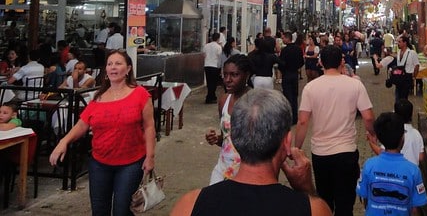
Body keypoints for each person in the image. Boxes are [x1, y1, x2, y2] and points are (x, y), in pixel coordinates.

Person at [172, 89, 331, 216]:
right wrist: (307, 189)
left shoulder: (190, 204)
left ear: (233, 138)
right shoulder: (313, 209)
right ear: (287, 142)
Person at [49, 50, 156, 216]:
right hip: (100, 164)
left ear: (128, 69)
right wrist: (64, 141)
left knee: (122, 211)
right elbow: (82, 124)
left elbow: (149, 127)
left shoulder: (140, 94)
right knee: (99, 211)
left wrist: (150, 157)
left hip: (131, 163)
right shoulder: (98, 97)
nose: (113, 67)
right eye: (110, 64)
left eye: (118, 63)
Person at [295, 44, 375, 216]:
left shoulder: (310, 88)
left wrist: (297, 147)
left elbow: (302, 122)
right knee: (345, 203)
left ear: (321, 62)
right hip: (346, 151)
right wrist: (372, 135)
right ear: (341, 61)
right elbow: (368, 117)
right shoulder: (355, 85)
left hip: (320, 153)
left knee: (325, 200)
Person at [356, 112, 427, 216]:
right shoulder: (413, 171)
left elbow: (364, 197)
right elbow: (415, 209)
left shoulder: (369, 165)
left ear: (380, 139)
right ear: (402, 138)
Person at [205, 54, 251, 184]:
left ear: (246, 75)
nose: (228, 80)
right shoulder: (224, 100)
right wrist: (216, 139)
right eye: (225, 75)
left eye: (234, 75)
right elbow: (226, 139)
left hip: (247, 173)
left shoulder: (255, 102)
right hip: (222, 169)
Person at [366, 99, 425, 166]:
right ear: (411, 115)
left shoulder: (392, 130)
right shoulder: (416, 133)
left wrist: (371, 143)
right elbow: (421, 157)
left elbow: (382, 152)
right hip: (412, 169)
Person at [279, 31, 304, 124]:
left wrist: (283, 70)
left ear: (287, 38)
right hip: (295, 74)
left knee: (287, 96)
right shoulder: (298, 49)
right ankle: (295, 117)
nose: (282, 40)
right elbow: (302, 62)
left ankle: (288, 117)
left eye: (283, 38)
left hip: (286, 74)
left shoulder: (284, 51)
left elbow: (281, 63)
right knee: (294, 96)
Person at [204, 33, 223, 104]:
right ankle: (210, 97)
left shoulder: (206, 46)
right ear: (218, 38)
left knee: (209, 82)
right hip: (215, 66)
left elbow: (204, 55)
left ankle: (211, 96)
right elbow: (219, 57)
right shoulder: (218, 47)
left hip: (207, 65)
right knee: (214, 83)